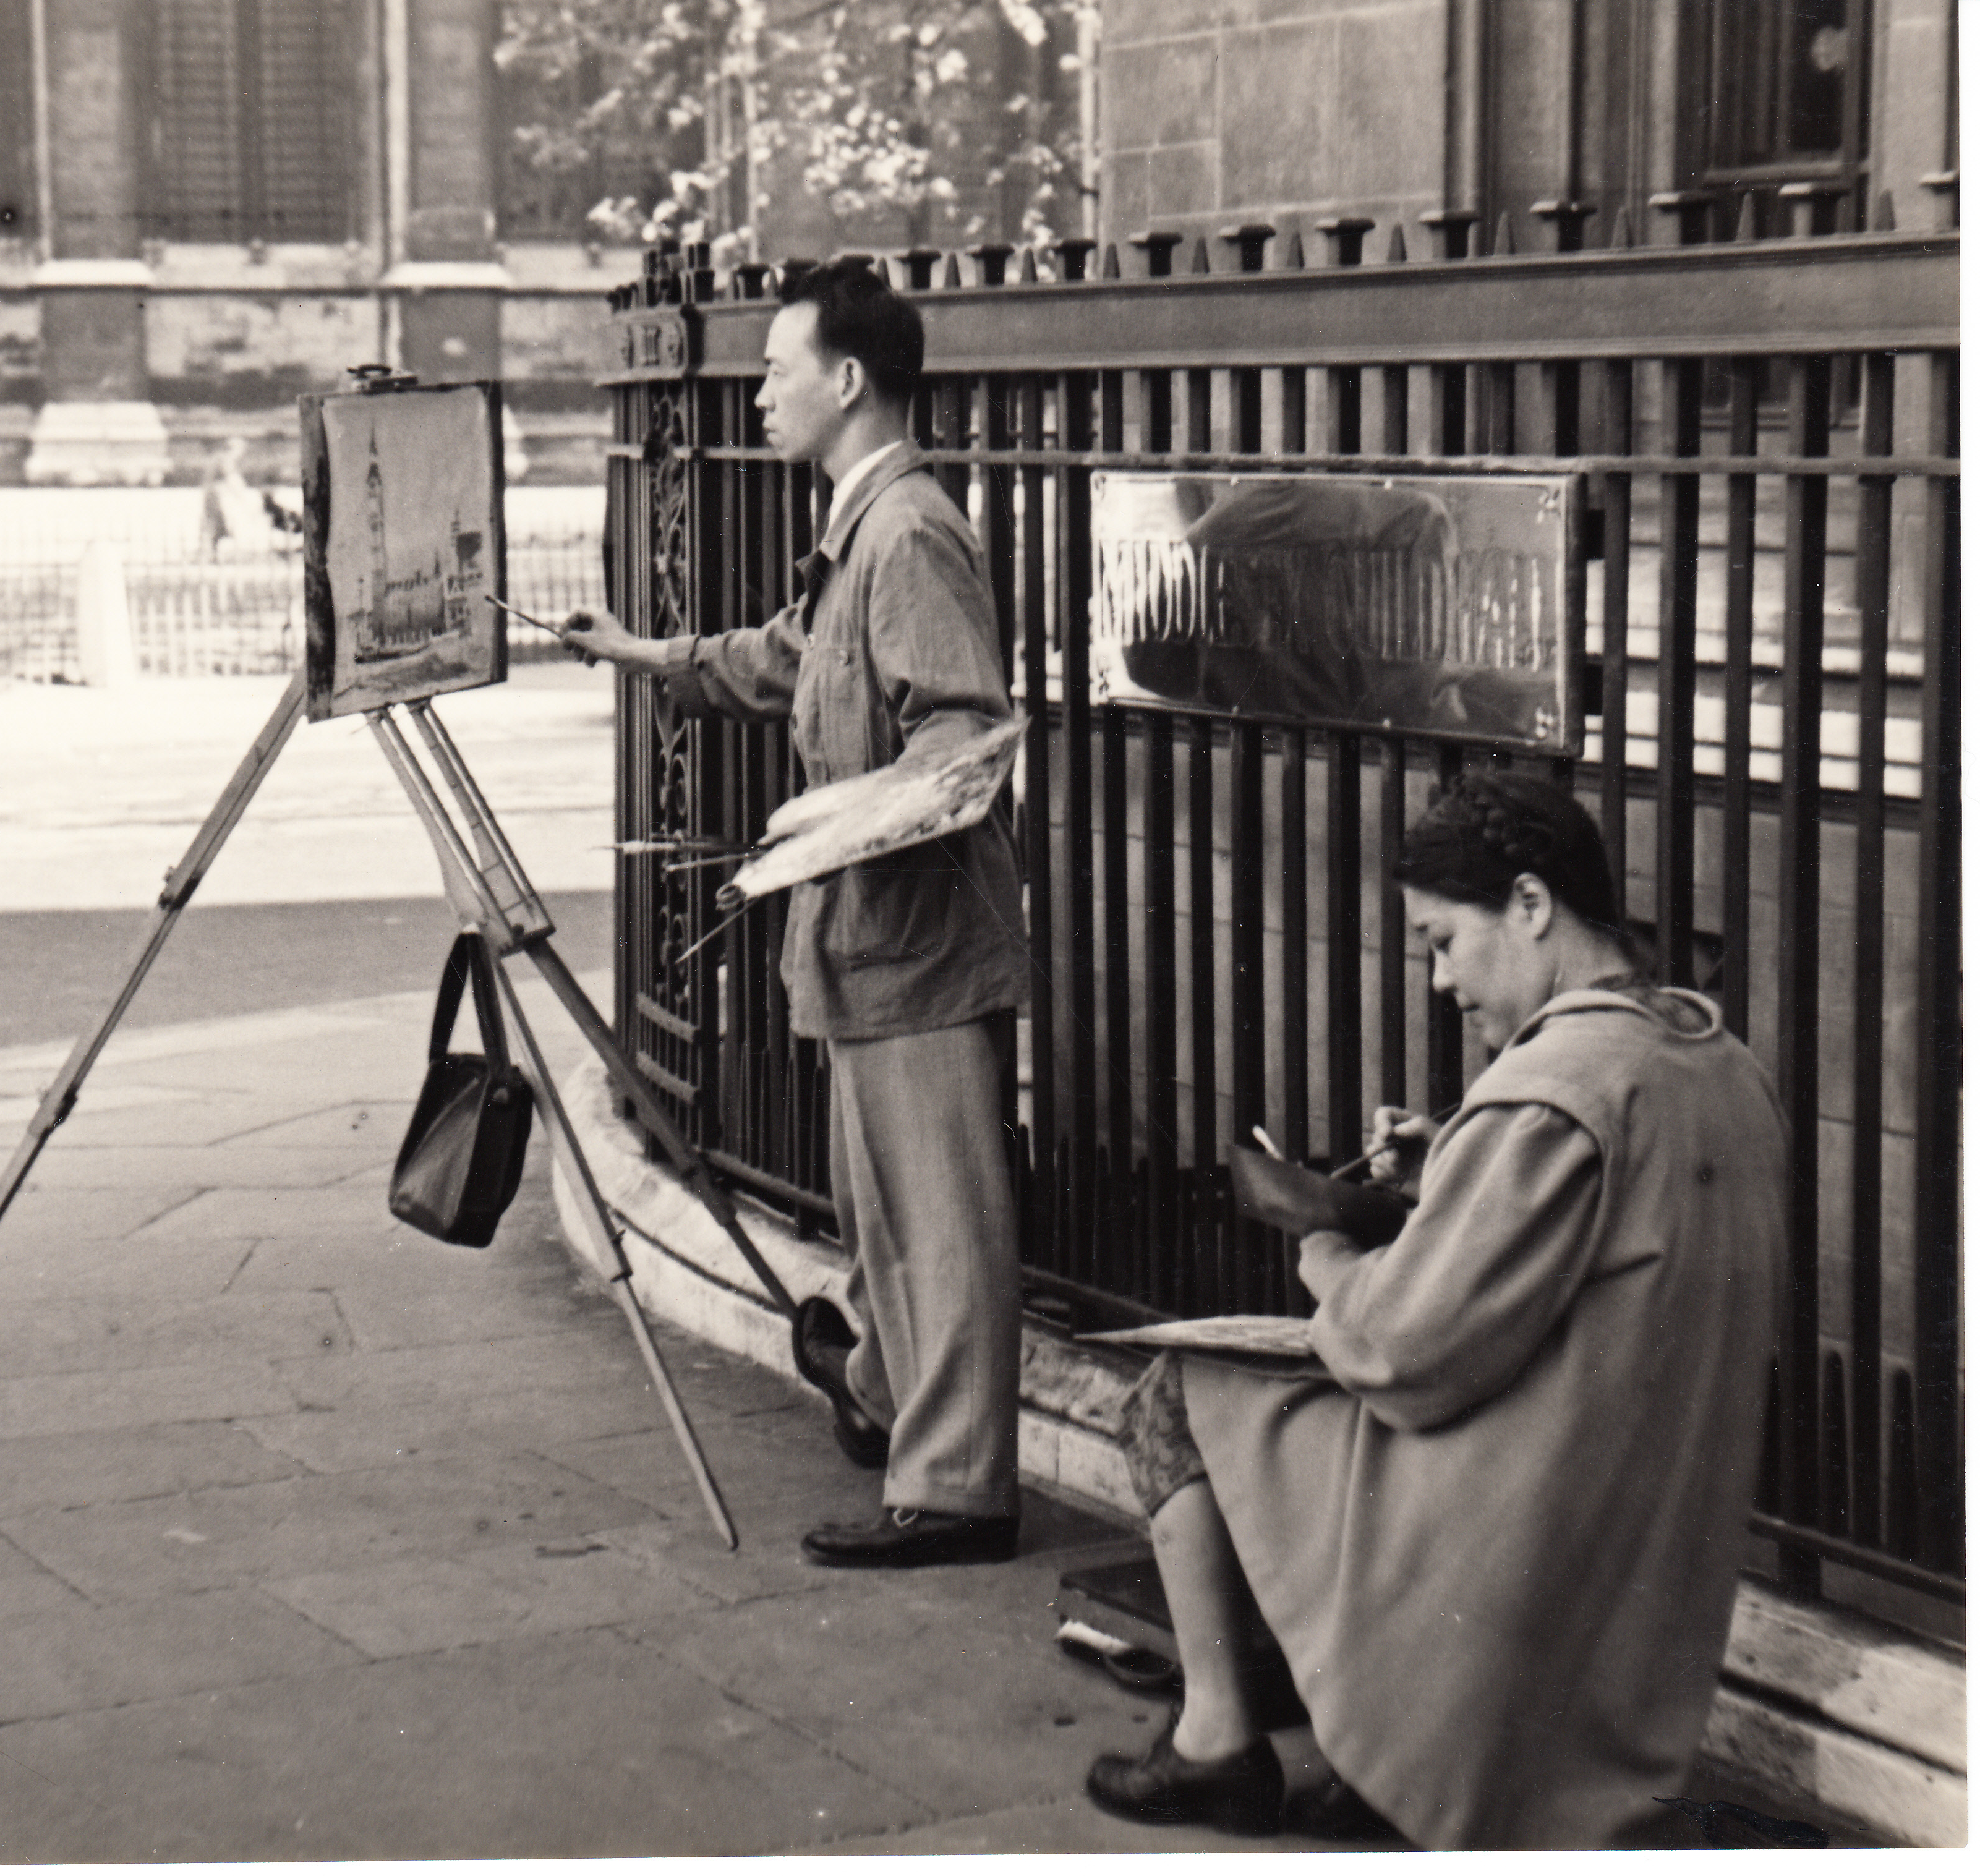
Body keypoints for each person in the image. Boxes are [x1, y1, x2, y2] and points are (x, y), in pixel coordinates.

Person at [1084, 771, 1786, 1848]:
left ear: (1533, 906)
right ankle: (1369, 1751)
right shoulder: (1716, 1061)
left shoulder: (1556, 1088)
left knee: (1176, 1388)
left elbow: (1401, 1349)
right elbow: (1591, 1249)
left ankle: (1218, 1742)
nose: (1441, 979)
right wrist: (1446, 1167)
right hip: (1632, 1548)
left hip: (1507, 1524)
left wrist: (1324, 1250)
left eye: (1444, 940)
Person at [568, 258, 1030, 1568]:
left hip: (916, 942)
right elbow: (788, 658)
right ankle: (885, 1395)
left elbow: (963, 733)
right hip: (869, 942)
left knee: (936, 1223)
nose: (760, 392)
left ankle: (953, 1491)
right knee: (883, 1207)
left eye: (776, 370)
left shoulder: (910, 531)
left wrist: (827, 820)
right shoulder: (861, 530)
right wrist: (651, 659)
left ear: (843, 381)